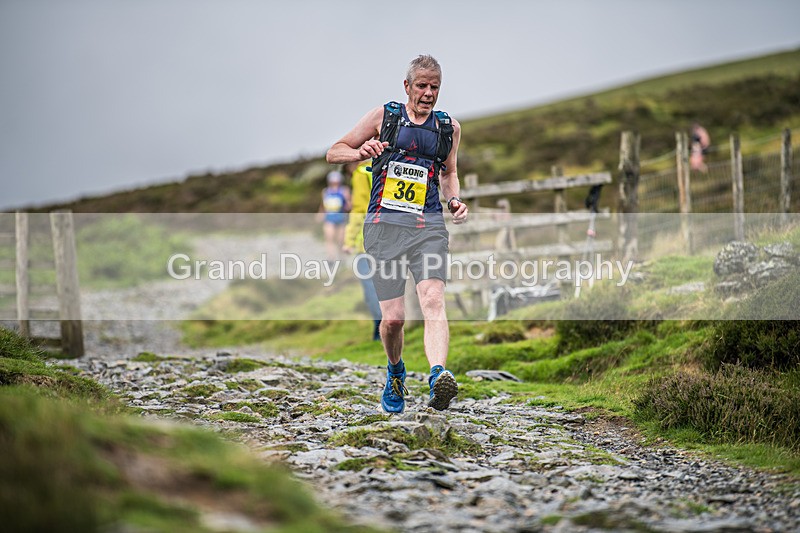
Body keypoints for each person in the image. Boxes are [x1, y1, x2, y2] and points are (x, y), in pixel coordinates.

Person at [326, 54, 468, 413]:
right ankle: (395, 372)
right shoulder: (385, 117)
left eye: (435, 87)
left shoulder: (448, 127)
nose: (428, 93)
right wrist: (360, 151)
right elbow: (333, 151)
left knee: (433, 299)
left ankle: (438, 376)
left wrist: (454, 201)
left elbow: (449, 173)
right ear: (407, 86)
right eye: (422, 86)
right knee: (393, 320)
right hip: (384, 227)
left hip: (428, 226)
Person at [342, 159, 382, 341]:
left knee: (370, 286)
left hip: (368, 238)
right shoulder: (384, 165)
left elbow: (359, 209)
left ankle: (380, 328)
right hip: (393, 234)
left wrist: (349, 240)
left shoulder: (361, 173)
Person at [318, 170, 351, 263]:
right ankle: (331, 258)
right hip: (329, 218)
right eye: (333, 182)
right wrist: (320, 214)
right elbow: (323, 205)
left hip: (341, 218)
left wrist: (346, 199)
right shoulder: (325, 191)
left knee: (340, 240)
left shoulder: (344, 190)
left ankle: (341, 258)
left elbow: (349, 206)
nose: (334, 184)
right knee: (329, 238)